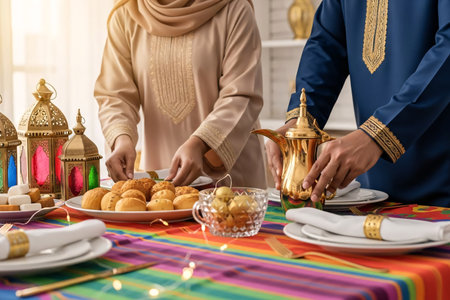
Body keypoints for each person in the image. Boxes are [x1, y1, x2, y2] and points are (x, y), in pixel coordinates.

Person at [267, 0, 450, 206]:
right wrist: (299, 122)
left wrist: (379, 134)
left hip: (442, 189)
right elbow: (326, 46)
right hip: (372, 192)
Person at [95, 0, 266, 188]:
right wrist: (121, 139)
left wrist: (200, 143)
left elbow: (241, 95)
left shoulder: (234, 9)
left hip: (230, 182)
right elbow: (115, 95)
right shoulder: (128, 14)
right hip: (162, 184)